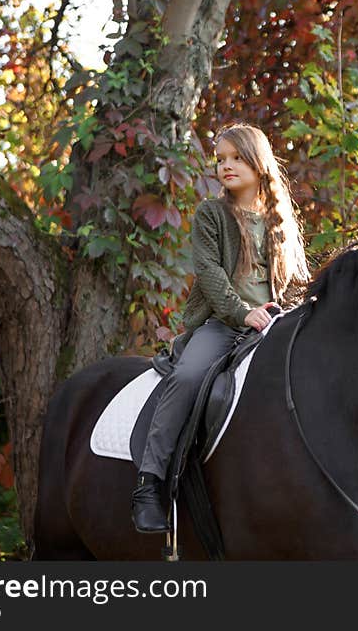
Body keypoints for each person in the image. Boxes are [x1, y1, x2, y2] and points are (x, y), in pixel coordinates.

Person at [131, 123, 311, 533]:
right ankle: (149, 483)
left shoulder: (280, 220)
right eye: (221, 159)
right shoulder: (212, 214)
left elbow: (296, 279)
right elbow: (210, 274)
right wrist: (243, 312)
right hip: (223, 324)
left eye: (235, 157)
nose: (225, 166)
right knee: (188, 376)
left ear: (258, 162)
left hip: (274, 324)